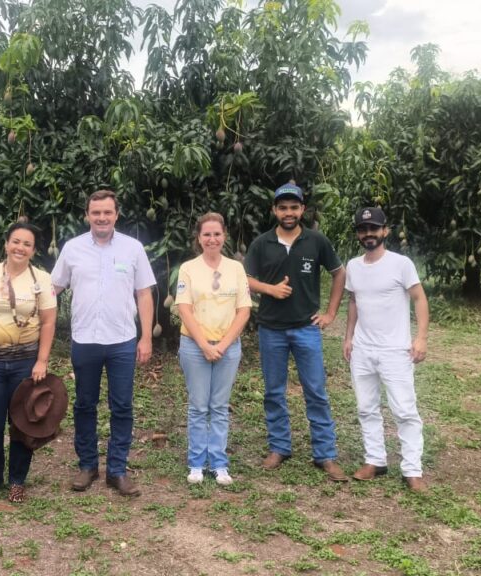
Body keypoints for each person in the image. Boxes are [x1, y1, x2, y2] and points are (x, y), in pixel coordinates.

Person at [51, 189, 156, 497]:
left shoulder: (133, 248)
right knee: (85, 405)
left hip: (122, 340)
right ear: (87, 215)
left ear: (116, 215)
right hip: (85, 340)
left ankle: (117, 470)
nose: (101, 218)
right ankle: (87, 466)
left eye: (107, 212)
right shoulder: (72, 248)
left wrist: (146, 337)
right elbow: (52, 288)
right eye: (96, 212)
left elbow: (144, 294)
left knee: (121, 406)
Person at [244, 181, 348, 481]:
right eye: (282, 207)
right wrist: (269, 290)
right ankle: (279, 447)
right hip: (271, 329)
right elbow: (245, 278)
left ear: (302, 209)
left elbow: (339, 273)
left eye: (294, 207)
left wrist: (330, 313)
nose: (288, 212)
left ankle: (326, 455)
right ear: (274, 210)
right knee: (274, 391)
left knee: (316, 391)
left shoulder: (316, 241)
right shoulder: (262, 243)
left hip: (306, 329)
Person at [0, 221, 58, 504]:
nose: (20, 247)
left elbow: (49, 320)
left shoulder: (41, 279)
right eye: (16, 241)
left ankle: (18, 480)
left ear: (33, 250)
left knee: (23, 422)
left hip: (25, 362)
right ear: (6, 244)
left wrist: (42, 361)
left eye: (27, 244)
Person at [343, 207, 430, 493]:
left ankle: (412, 470)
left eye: (373, 229)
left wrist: (421, 338)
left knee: (404, 410)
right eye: (363, 229)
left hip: (395, 350)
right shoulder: (354, 266)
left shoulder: (401, 264)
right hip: (363, 349)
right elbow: (354, 302)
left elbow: (419, 298)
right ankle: (375, 460)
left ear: (385, 231)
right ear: (358, 233)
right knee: (366, 407)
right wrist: (348, 338)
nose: (368, 234)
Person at [175, 213, 252, 486]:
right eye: (206, 234)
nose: (212, 239)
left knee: (219, 407)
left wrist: (221, 344)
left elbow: (243, 310)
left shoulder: (236, 268)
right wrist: (205, 345)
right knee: (198, 406)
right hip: (195, 347)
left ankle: (219, 463)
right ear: (199, 238)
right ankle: (196, 463)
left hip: (227, 347)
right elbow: (184, 308)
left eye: (216, 234)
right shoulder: (188, 268)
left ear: (224, 236)